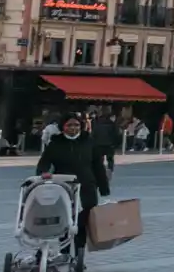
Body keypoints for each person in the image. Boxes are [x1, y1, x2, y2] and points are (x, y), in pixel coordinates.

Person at [35, 114, 110, 260]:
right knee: (65, 221)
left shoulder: (89, 142)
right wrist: (42, 174)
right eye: (69, 125)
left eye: (76, 125)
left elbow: (98, 166)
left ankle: (79, 254)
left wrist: (103, 187)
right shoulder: (55, 143)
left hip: (86, 187)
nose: (73, 128)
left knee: (81, 222)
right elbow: (44, 163)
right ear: (63, 127)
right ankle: (64, 254)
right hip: (63, 187)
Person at [91, 110, 120, 175]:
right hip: (109, 145)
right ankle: (110, 170)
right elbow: (116, 135)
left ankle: (99, 170)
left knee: (100, 159)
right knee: (110, 159)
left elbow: (93, 135)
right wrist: (116, 144)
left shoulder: (97, 124)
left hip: (99, 144)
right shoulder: (112, 125)